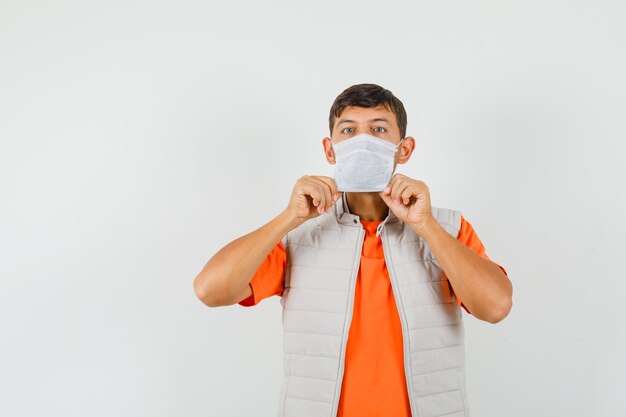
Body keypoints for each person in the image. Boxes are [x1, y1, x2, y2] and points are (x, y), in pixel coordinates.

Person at [193, 83, 513, 417]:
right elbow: (210, 290)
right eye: (349, 130)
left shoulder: (447, 227)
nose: (363, 141)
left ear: (404, 149)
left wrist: (426, 226)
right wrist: (290, 217)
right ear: (330, 150)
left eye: (378, 129)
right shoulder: (297, 235)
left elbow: (496, 307)